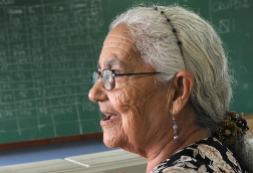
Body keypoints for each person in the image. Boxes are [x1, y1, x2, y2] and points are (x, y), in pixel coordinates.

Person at [88, 5, 253, 173]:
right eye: (100, 74)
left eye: (113, 74)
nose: (93, 93)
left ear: (177, 92)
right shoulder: (214, 151)